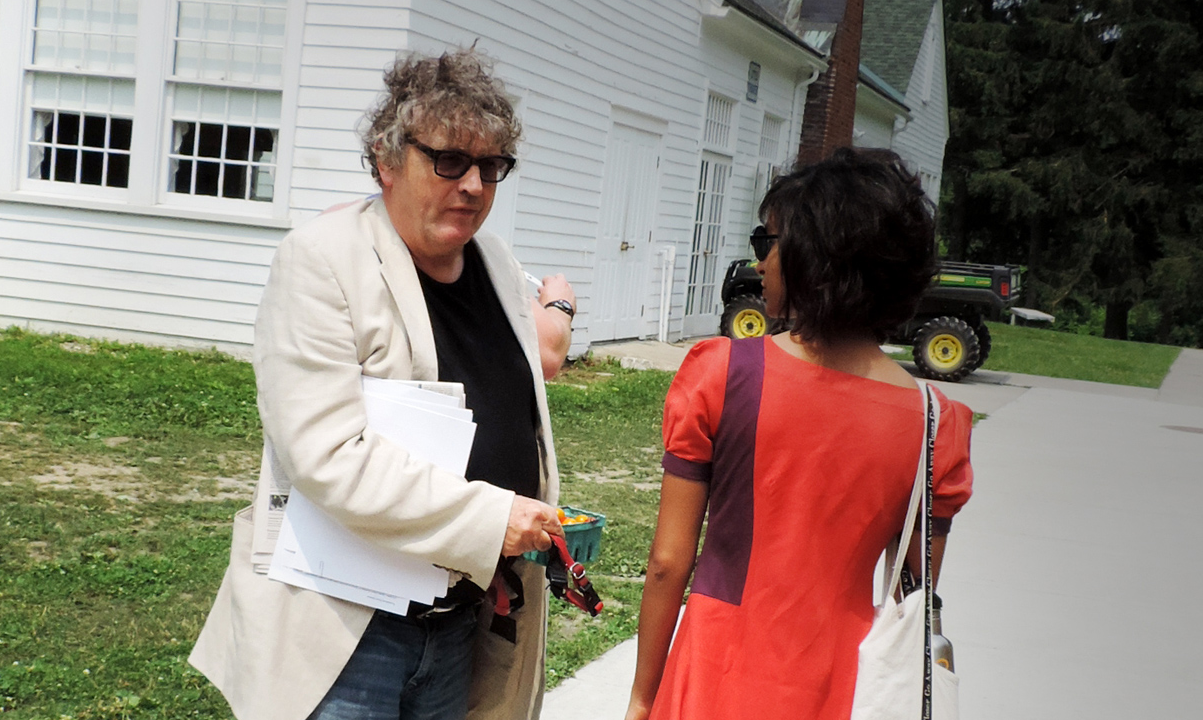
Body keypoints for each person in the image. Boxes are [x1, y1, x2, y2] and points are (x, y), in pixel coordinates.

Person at [190, 47, 575, 720]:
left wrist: (561, 309)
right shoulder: (321, 261)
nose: (475, 186)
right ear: (386, 159)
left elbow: (535, 364)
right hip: (344, 636)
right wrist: (493, 518)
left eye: (490, 166)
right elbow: (328, 456)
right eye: (450, 161)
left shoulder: (497, 264)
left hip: (459, 624)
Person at [624, 148, 975, 720]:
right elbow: (914, 589)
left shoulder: (722, 376)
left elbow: (668, 561)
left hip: (716, 671)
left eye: (770, 243)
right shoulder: (937, 423)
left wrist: (643, 696)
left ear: (817, 255)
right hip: (844, 684)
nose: (760, 263)